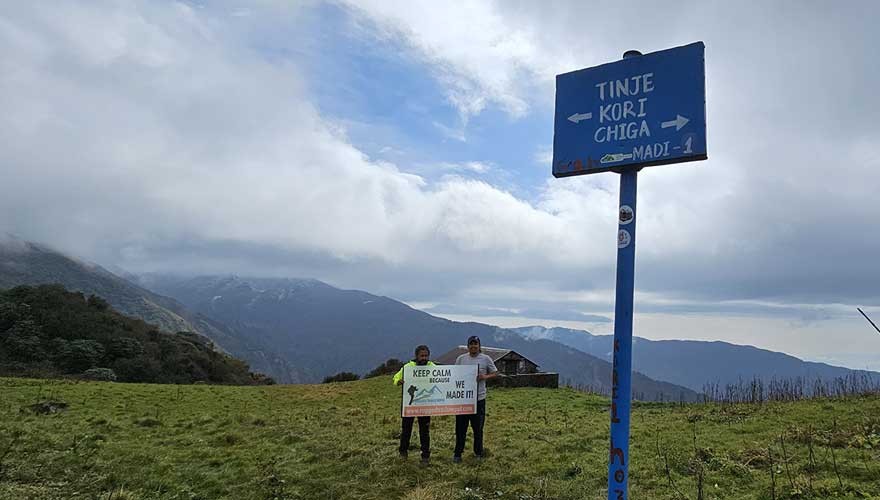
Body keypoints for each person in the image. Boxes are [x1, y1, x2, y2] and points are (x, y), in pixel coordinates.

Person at [453, 335, 498, 462]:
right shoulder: (461, 359)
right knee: (460, 428)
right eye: (471, 344)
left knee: (478, 428)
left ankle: (478, 453)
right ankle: (457, 454)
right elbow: (454, 374)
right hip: (463, 399)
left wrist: (485, 377)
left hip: (479, 399)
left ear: (479, 346)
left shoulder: (486, 359)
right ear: (468, 346)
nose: (473, 346)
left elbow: (495, 373)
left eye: (475, 344)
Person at [392, 345, 434, 464]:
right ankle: (403, 452)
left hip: (425, 404)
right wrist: (398, 382)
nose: (424, 358)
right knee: (406, 430)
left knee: (424, 431)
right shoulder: (408, 367)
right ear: (416, 356)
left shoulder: (432, 367)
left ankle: (425, 455)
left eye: (426, 356)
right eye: (422, 356)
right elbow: (395, 377)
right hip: (409, 405)